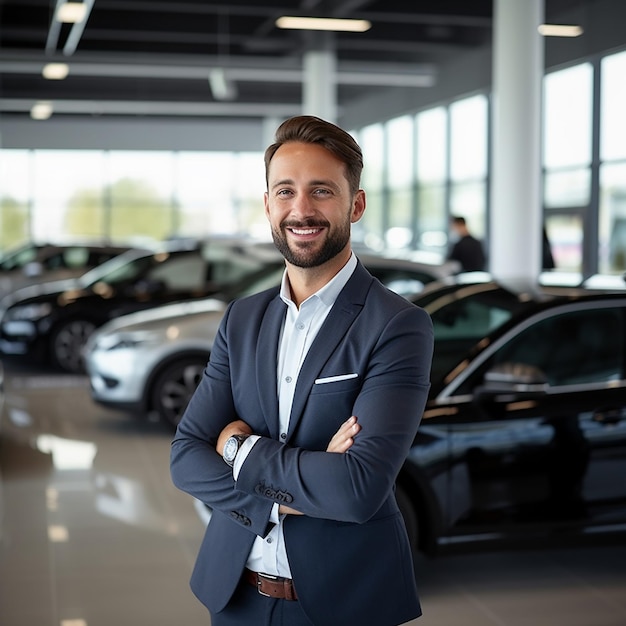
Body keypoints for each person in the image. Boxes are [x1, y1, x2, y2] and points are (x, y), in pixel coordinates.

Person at [170, 115, 434, 626]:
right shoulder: (242, 318)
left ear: (355, 204)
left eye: (321, 191)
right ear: (268, 203)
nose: (301, 209)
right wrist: (295, 494)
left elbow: (356, 490)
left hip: (344, 602)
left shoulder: (397, 325)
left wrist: (235, 448)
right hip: (235, 595)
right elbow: (184, 457)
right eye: (285, 191)